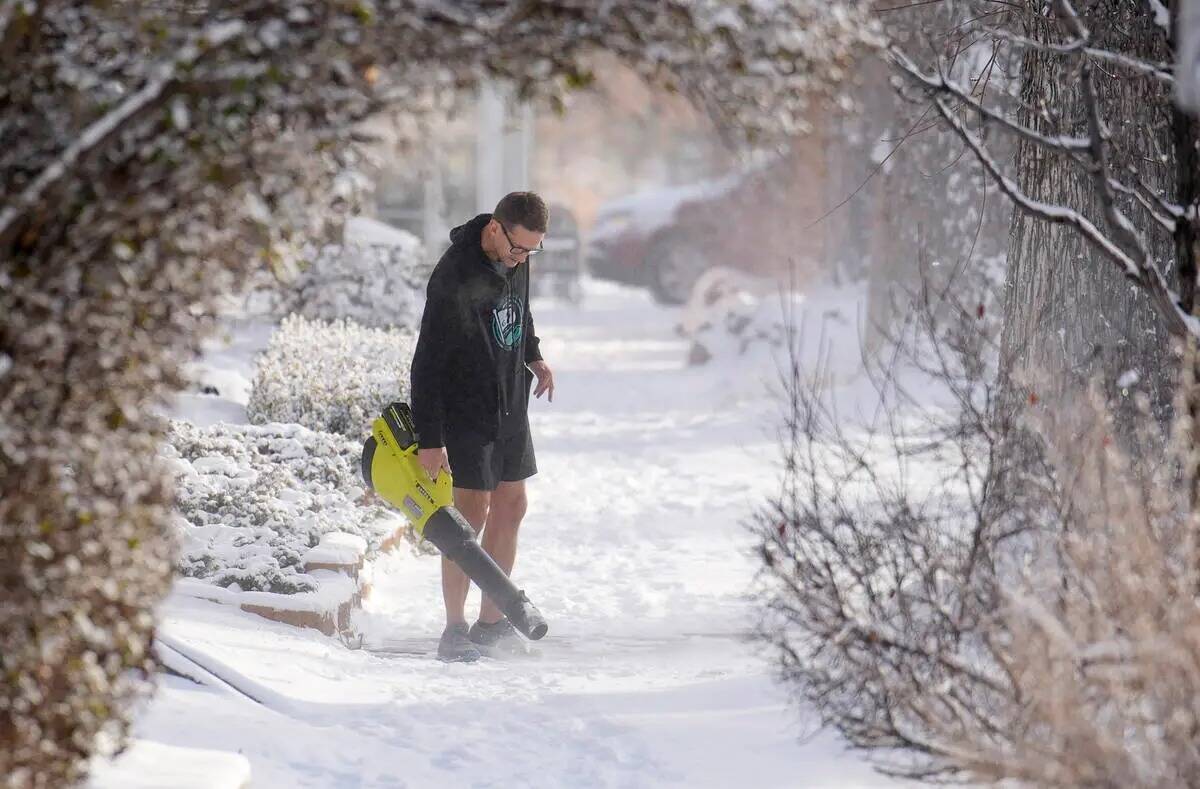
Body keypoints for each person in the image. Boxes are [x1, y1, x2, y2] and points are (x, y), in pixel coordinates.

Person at [409, 192, 556, 662]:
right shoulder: (453, 275)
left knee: (512, 506)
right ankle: (453, 630)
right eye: (518, 249)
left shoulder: (518, 257)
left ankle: (492, 622)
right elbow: (426, 363)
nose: (522, 259)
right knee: (468, 518)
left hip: (511, 402)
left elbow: (521, 309)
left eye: (531, 252)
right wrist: (430, 440)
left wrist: (532, 354)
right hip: (467, 410)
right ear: (495, 228)